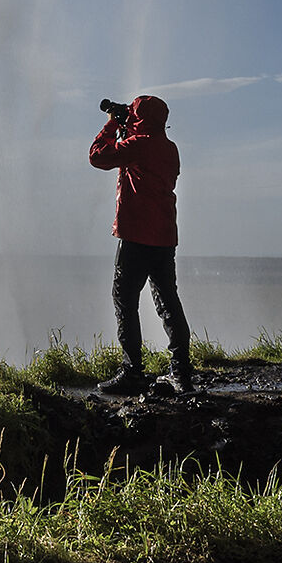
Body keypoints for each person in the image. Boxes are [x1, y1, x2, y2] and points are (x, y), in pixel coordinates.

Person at [88, 94, 195, 396]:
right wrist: (129, 128)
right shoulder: (169, 148)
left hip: (136, 235)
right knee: (168, 303)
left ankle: (132, 371)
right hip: (164, 237)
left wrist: (111, 126)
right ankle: (181, 374)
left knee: (124, 299)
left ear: (139, 118)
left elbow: (98, 156)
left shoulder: (138, 144)